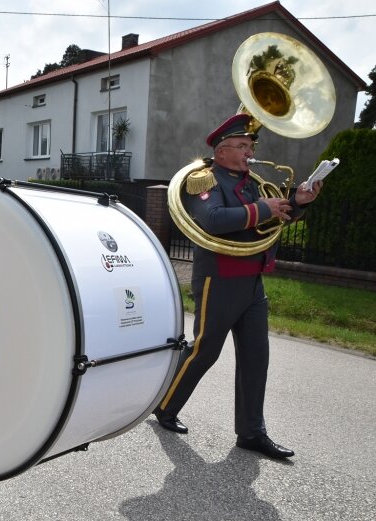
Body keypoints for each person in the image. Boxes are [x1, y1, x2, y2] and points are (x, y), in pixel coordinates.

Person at [153, 113, 323, 459]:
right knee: (205, 351)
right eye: (243, 146)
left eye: (251, 145)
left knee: (256, 357)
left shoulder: (252, 183)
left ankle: (251, 433)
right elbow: (213, 220)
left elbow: (276, 213)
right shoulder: (204, 181)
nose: (250, 151)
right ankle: (165, 406)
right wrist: (263, 208)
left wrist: (299, 201)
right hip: (220, 278)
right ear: (221, 151)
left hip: (252, 279)